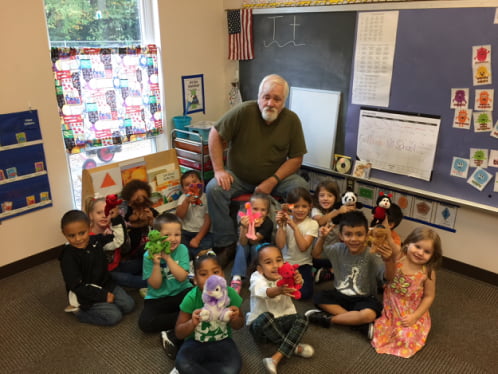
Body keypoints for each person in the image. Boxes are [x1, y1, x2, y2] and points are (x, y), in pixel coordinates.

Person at [206, 74, 309, 260]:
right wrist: (219, 170)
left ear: (283, 101)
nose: (270, 103)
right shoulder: (243, 111)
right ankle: (226, 244)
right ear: (259, 96)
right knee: (214, 188)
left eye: (277, 99)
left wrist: (273, 180)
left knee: (301, 189)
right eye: (266, 97)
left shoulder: (291, 120)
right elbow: (215, 134)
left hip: (275, 178)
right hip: (238, 176)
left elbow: (296, 158)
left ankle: (289, 240)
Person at [306, 210, 392, 339]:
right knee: (318, 297)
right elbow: (316, 255)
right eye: (348, 234)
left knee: (369, 315)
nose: (353, 239)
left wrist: (389, 260)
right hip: (340, 295)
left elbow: (389, 278)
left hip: (364, 298)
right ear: (341, 235)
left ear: (367, 235)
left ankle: (330, 319)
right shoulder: (338, 249)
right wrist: (322, 238)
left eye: (359, 234)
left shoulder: (372, 255)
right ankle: (356, 323)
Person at [371, 227, 442, 358]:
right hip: (391, 304)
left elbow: (429, 296)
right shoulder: (399, 255)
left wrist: (415, 316)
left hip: (410, 309)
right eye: (417, 246)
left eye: (427, 251)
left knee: (406, 338)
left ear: (433, 256)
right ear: (408, 243)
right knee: (382, 329)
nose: (420, 253)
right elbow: (388, 236)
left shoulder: (428, 271)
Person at [59, 210, 135, 326]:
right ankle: (80, 313)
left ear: (89, 228)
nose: (78, 239)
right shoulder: (68, 257)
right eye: (71, 235)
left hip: (106, 284)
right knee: (114, 316)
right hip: (86, 296)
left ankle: (106, 303)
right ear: (64, 234)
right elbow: (76, 286)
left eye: (82, 233)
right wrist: (102, 295)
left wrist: (116, 219)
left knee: (129, 305)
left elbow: (118, 241)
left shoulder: (96, 241)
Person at [247, 243, 314, 374]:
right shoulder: (256, 277)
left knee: (303, 318)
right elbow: (264, 291)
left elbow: (296, 289)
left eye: (279, 260)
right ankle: (292, 347)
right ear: (260, 269)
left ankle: (275, 358)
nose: (276, 265)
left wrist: (298, 280)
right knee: (266, 317)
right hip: (261, 328)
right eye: (268, 262)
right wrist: (279, 290)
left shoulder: (286, 274)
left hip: (282, 321)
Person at [173, 252, 244, 374]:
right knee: (182, 363)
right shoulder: (191, 298)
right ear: (195, 280)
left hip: (223, 341)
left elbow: (239, 325)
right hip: (195, 342)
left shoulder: (230, 294)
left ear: (223, 274)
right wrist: (192, 322)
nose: (211, 278)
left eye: (216, 272)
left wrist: (236, 318)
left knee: (233, 367)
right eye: (203, 274)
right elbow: (179, 333)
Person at [138, 212, 193, 361]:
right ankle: (182, 321)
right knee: (145, 323)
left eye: (177, 234)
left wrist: (168, 258)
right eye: (167, 235)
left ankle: (176, 326)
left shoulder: (182, 249)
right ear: (157, 236)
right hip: (158, 297)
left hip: (181, 290)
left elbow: (182, 277)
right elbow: (155, 285)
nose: (173, 239)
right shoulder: (148, 255)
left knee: (199, 301)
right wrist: (156, 263)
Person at [84, 196, 147, 291]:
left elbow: (124, 243)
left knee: (140, 263)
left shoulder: (112, 227)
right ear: (91, 215)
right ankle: (156, 282)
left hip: (116, 265)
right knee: (128, 279)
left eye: (108, 213)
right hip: (106, 273)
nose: (104, 215)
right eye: (99, 212)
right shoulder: (90, 237)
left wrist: (117, 221)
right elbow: (117, 242)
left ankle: (158, 273)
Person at [275, 187, 318, 300]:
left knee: (306, 294)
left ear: (310, 207)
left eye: (304, 206)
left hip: (303, 264)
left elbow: (303, 247)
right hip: (284, 263)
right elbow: (280, 245)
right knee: (272, 286)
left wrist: (294, 227)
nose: (300, 210)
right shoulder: (285, 220)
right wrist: (281, 226)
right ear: (289, 206)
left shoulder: (312, 224)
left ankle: (310, 274)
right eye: (296, 206)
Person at [311, 179, 355, 284]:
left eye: (329, 196)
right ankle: (325, 271)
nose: (325, 199)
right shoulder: (316, 210)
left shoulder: (339, 211)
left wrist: (349, 212)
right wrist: (338, 211)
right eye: (322, 195)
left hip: (333, 252)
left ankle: (327, 272)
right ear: (317, 197)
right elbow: (320, 221)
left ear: (336, 198)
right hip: (318, 253)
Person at [230, 192, 273, 294]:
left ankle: (258, 274)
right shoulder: (244, 220)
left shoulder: (268, 223)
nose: (259, 212)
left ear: (267, 212)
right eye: (255, 209)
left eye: (263, 210)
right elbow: (243, 241)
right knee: (241, 246)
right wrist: (244, 227)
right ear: (249, 209)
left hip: (260, 249)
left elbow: (254, 241)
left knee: (255, 248)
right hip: (246, 249)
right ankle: (237, 277)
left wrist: (252, 226)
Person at [175, 170, 213, 259]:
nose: (192, 186)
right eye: (187, 185)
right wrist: (186, 202)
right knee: (179, 243)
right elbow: (179, 215)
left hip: (203, 232)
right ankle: (195, 254)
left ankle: (195, 255)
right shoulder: (183, 198)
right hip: (186, 231)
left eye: (195, 182)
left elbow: (208, 221)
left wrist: (198, 238)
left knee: (209, 242)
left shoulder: (207, 198)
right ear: (183, 189)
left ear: (202, 183)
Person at [121, 179, 159, 254]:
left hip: (152, 246)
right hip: (134, 250)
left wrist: (152, 220)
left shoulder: (149, 210)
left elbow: (163, 225)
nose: (140, 202)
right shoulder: (125, 213)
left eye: (143, 198)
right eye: (136, 200)